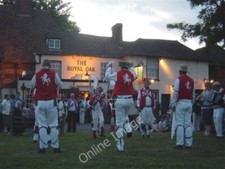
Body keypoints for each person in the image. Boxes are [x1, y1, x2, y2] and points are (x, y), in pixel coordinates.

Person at [30, 59, 62, 153]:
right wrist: (55, 89)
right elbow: (60, 84)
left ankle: (42, 147)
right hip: (51, 101)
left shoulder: (37, 74)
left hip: (40, 102)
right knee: (53, 125)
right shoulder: (53, 74)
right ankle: (55, 147)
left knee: (42, 125)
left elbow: (31, 85)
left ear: (42, 65)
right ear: (49, 65)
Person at [105, 61, 137, 152]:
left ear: (121, 67)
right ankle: (129, 128)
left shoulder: (118, 74)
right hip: (129, 100)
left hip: (120, 99)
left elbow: (107, 76)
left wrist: (109, 68)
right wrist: (131, 67)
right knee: (125, 115)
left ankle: (120, 145)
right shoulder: (132, 74)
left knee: (119, 123)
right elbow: (134, 74)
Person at [171, 64, 195, 150]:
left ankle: (179, 143)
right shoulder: (191, 81)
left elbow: (176, 93)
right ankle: (189, 144)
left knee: (180, 123)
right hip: (189, 103)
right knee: (187, 124)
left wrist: (173, 104)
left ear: (180, 71)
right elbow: (193, 94)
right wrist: (192, 103)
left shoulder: (178, 80)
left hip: (181, 102)